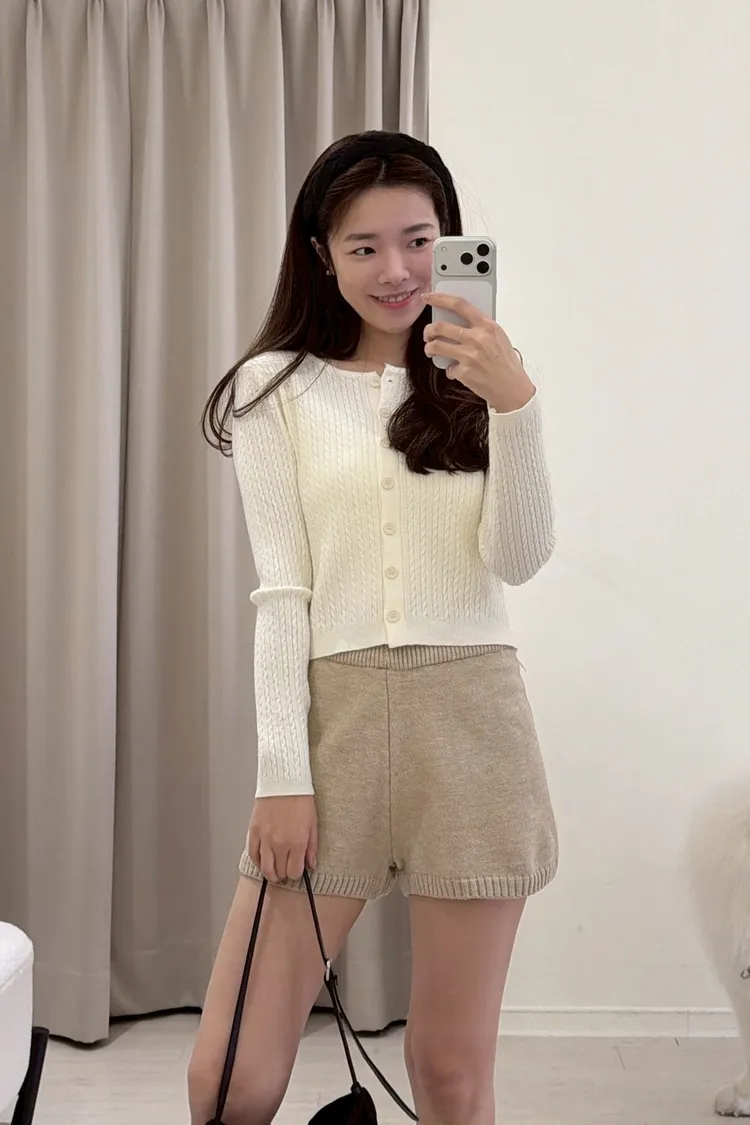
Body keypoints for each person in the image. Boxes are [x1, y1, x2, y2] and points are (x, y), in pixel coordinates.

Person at [188, 130, 558, 1125]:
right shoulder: (276, 389)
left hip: (472, 728)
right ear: (323, 254)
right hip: (335, 729)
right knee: (229, 1077)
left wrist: (515, 404)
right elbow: (282, 594)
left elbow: (519, 557)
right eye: (364, 246)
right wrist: (282, 774)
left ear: (449, 241)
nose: (396, 269)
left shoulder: (485, 380)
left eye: (418, 240)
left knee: (450, 1073)